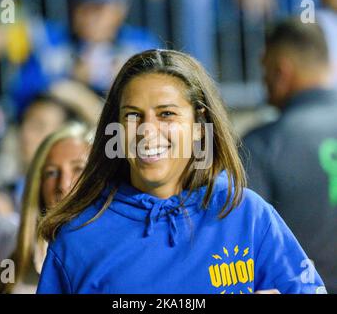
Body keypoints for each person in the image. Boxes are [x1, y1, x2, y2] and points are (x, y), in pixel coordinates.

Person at [37, 49, 325, 294]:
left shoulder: (248, 215)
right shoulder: (77, 238)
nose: (148, 131)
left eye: (166, 114)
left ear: (200, 126)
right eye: (133, 116)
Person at [242, 18, 337, 293]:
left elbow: (246, 240)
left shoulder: (261, 144)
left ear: (281, 71)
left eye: (265, 69)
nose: (264, 81)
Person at [0, 123, 93, 294]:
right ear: (38, 186)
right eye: (51, 173)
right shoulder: (12, 256)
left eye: (78, 169)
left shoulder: (117, 255)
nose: (64, 184)